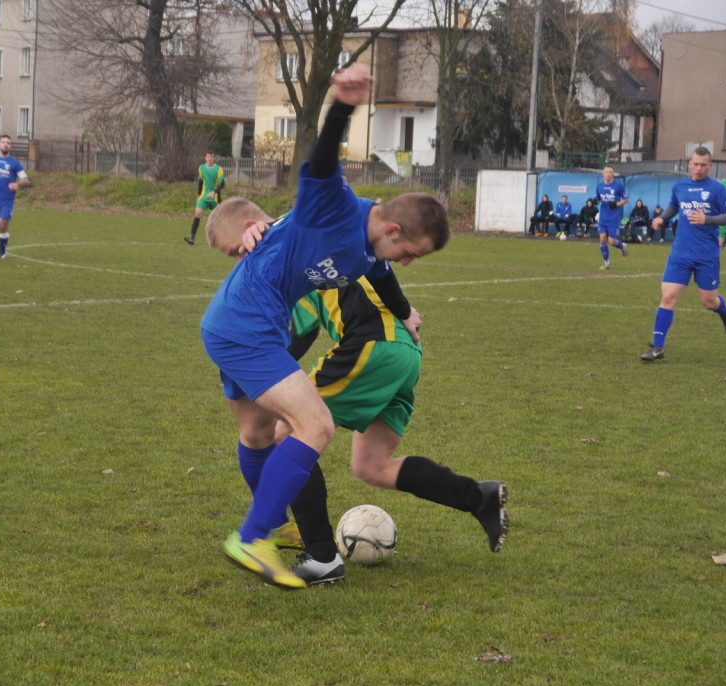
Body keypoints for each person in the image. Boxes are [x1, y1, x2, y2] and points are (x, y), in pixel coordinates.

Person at [199, 64, 451, 589]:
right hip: (246, 322)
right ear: (394, 228)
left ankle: (273, 529)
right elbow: (319, 161)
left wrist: (404, 314)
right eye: (411, 251)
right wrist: (341, 103)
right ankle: (253, 536)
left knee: (257, 431)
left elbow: (382, 277)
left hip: (240, 321)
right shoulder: (334, 206)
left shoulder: (368, 252)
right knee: (316, 426)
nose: (407, 260)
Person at [207, 199, 508, 585]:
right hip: (406, 351)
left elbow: (291, 338)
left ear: (252, 228)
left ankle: (320, 556)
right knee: (372, 466)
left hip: (371, 346)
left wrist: (249, 373)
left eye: (236, 252)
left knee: (288, 435)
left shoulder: (289, 255)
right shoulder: (334, 233)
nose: (239, 261)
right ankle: (479, 498)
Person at [641, 146, 726, 362]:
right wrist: (662, 218)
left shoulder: (717, 189)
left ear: (710, 166)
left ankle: (725, 313)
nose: (699, 168)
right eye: (696, 164)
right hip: (680, 252)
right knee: (668, 296)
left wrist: (708, 219)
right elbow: (674, 206)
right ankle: (657, 347)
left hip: (706, 254)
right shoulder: (680, 186)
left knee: (709, 301)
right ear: (689, 164)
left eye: (704, 164)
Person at [184, 150, 225, 245]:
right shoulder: (201, 168)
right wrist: (199, 195)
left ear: (213, 158)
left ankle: (222, 238)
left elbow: (222, 184)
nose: (210, 159)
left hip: (214, 198)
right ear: (205, 158)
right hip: (204, 196)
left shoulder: (218, 169)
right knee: (197, 214)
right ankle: (192, 238)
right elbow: (201, 181)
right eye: (208, 157)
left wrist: (214, 192)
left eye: (211, 157)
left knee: (217, 219)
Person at [595, 164, 629, 269]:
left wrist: (616, 204)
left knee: (611, 241)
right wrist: (594, 201)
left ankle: (622, 246)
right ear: (603, 174)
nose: (608, 174)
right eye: (606, 172)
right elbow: (598, 199)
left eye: (610, 172)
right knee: (602, 239)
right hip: (603, 217)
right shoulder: (599, 186)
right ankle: (607, 263)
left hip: (613, 218)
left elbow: (626, 199)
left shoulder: (618, 186)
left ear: (613, 174)